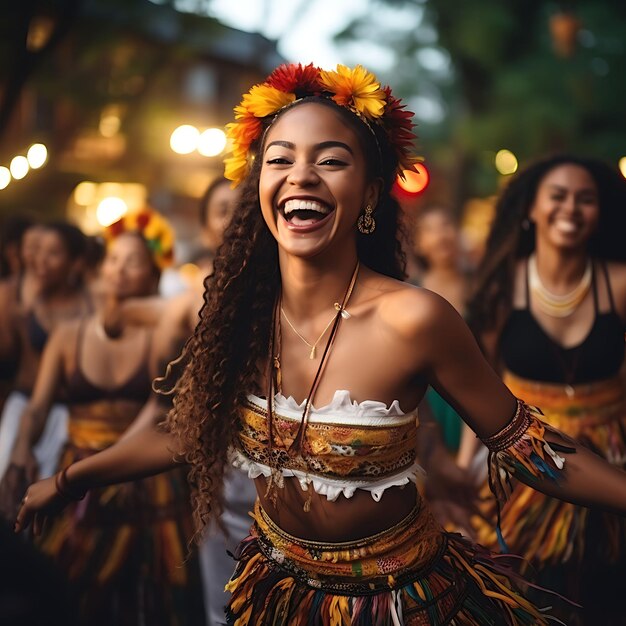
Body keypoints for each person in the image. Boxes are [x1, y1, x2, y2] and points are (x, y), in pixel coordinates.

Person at [14, 64, 626, 625]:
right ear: (260, 184)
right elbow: (185, 431)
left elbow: (530, 450)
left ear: (369, 193)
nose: (300, 175)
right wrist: (69, 481)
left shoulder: (413, 318)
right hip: (275, 593)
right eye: (280, 159)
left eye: (331, 160)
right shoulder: (240, 319)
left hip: (401, 604)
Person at [4, 209, 204, 626]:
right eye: (113, 258)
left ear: (153, 273)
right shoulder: (69, 334)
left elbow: (161, 409)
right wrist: (22, 450)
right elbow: (38, 406)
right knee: (69, 584)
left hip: (147, 478)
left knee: (150, 593)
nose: (118, 269)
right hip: (77, 463)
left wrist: (108, 463)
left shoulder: (166, 333)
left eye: (132, 261)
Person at [467, 154, 626, 624]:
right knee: (535, 596)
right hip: (523, 464)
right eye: (557, 196)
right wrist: (467, 474)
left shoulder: (619, 284)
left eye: (586, 199)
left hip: (611, 457)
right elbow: (483, 385)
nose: (571, 209)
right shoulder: (502, 285)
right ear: (530, 210)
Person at [0, 221, 92, 485]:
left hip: (67, 412)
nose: (41, 260)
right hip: (24, 403)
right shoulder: (16, 294)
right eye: (38, 251)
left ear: (74, 261)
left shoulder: (90, 303)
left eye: (53, 253)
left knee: (51, 486)